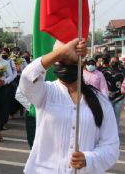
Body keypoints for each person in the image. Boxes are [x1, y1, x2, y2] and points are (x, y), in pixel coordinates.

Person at [19, 39, 119, 173]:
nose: (66, 66)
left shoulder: (101, 101)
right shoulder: (45, 93)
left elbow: (111, 148)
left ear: (81, 63)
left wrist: (89, 159)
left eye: (72, 62)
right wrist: (61, 52)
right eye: (61, 61)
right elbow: (26, 77)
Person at [102, 56, 125, 127]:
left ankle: (116, 135)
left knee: (116, 117)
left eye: (115, 61)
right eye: (112, 61)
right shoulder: (104, 72)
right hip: (107, 98)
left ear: (118, 62)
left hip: (119, 97)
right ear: (109, 62)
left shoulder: (122, 72)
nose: (113, 63)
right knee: (108, 117)